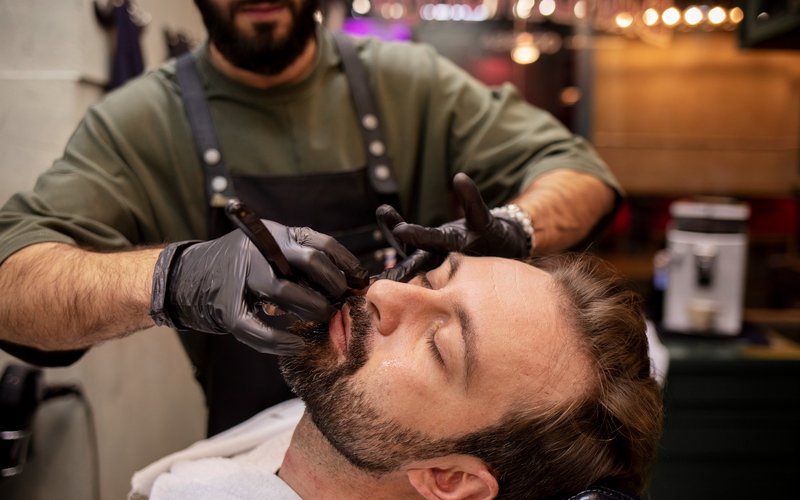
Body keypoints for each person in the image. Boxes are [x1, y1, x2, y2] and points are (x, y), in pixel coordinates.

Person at [0, 0, 622, 434]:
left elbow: (579, 171)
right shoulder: (138, 123)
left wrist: (519, 225)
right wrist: (176, 278)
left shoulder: (410, 83)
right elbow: (12, 281)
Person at [130, 252, 664, 500]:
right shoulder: (364, 429)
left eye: (437, 346)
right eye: (433, 276)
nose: (384, 291)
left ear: (449, 479)